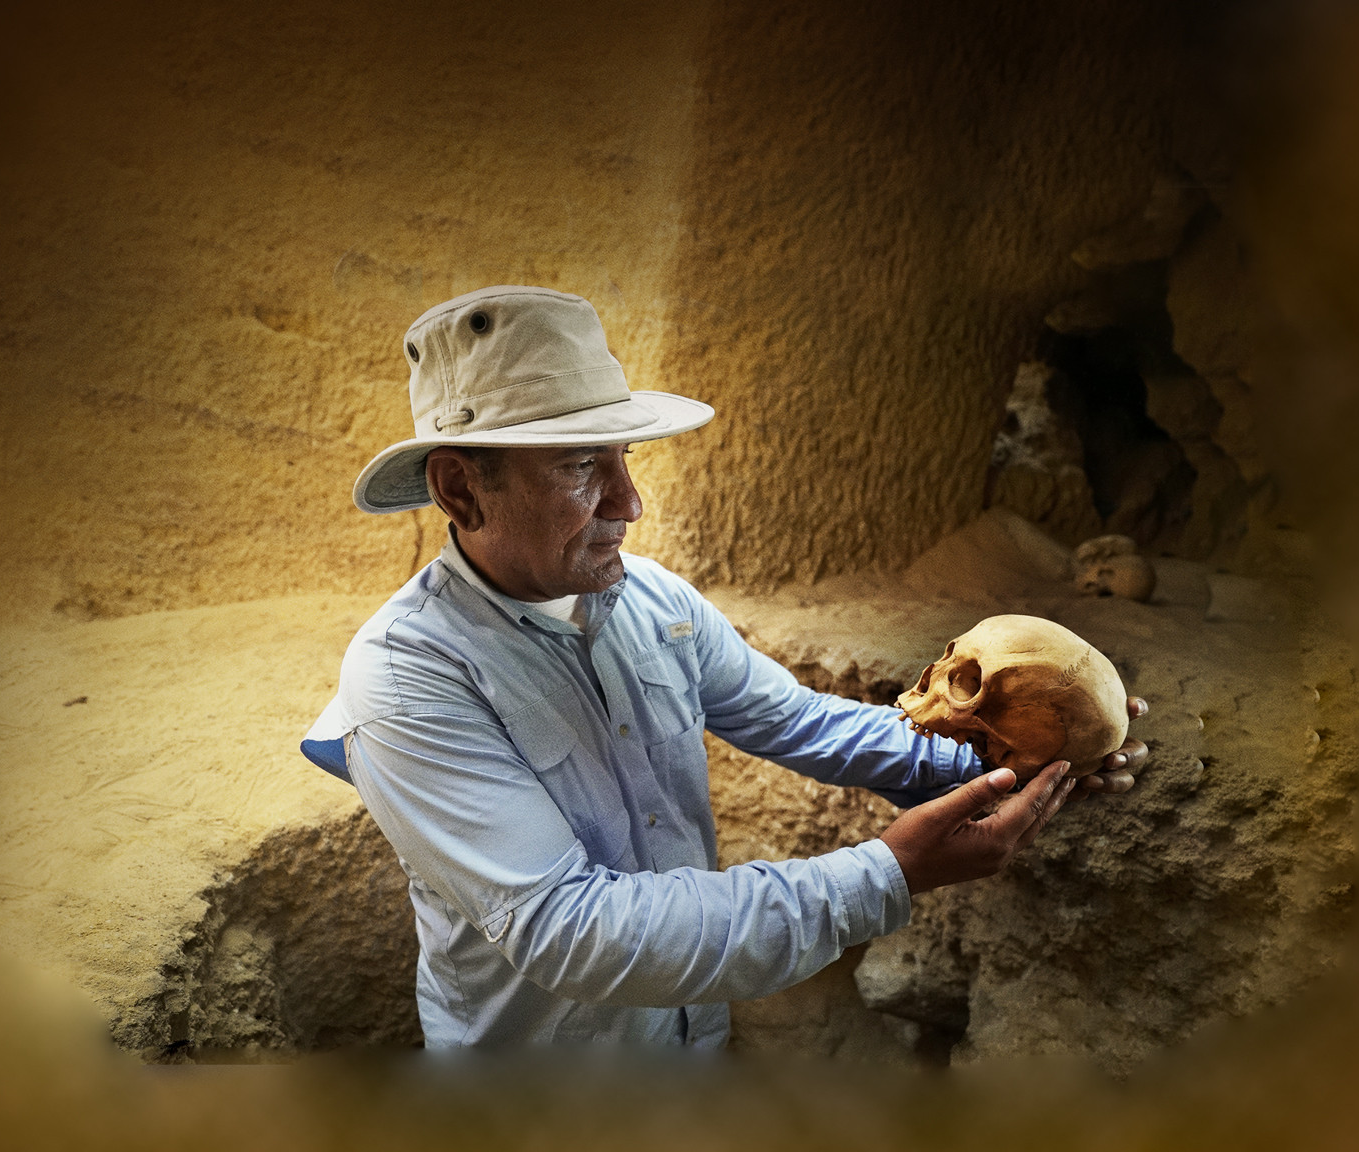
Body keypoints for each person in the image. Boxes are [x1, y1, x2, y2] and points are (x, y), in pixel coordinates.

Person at [301, 285, 1147, 1047]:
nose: (629, 503)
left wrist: (1016, 749)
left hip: (686, 1057)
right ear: (458, 490)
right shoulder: (407, 679)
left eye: (623, 460)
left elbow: (795, 720)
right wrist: (887, 874)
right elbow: (568, 927)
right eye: (579, 467)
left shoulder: (654, 603)